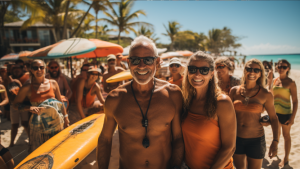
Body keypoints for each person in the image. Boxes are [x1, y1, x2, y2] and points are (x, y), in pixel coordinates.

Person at [97, 36, 184, 169]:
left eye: (148, 60)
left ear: (158, 62)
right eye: (136, 60)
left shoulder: (173, 94)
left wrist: (176, 166)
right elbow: (105, 139)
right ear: (128, 63)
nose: (141, 66)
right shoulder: (115, 98)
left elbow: (178, 138)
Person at [181, 51, 236, 169]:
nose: (197, 74)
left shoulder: (222, 102)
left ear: (212, 74)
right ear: (187, 72)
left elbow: (230, 147)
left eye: (204, 70)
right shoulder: (186, 101)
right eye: (192, 69)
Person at [229, 58, 279, 169]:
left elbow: (274, 118)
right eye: (249, 69)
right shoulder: (234, 90)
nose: (252, 72)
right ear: (244, 70)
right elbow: (226, 115)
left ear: (261, 73)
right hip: (236, 138)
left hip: (256, 140)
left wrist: (275, 141)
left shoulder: (266, 94)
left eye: (256, 70)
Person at [12, 59, 69, 152]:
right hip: (38, 126)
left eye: (41, 67)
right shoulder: (27, 86)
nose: (39, 70)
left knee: (57, 148)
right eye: (35, 68)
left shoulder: (53, 83)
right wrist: (28, 108)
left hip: (56, 122)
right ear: (31, 70)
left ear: (45, 68)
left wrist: (66, 118)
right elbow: (15, 105)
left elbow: (60, 103)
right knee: (39, 151)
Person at [271, 59, 297, 167]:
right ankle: (275, 151)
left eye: (284, 67)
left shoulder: (291, 82)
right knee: (276, 134)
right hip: (275, 114)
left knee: (286, 136)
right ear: (276, 67)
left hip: (286, 114)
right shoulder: (274, 80)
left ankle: (286, 158)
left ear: (288, 69)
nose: (281, 68)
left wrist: (292, 118)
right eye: (279, 66)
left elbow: (295, 101)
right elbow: (271, 96)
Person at [7, 64, 30, 147]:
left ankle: (30, 140)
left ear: (21, 70)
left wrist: (19, 84)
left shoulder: (26, 77)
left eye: (18, 69)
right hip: (13, 105)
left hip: (24, 104)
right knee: (14, 125)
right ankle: (12, 143)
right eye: (15, 69)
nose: (17, 70)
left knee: (25, 123)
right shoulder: (9, 79)